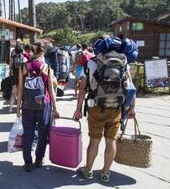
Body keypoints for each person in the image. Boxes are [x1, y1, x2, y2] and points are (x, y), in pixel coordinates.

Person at [73, 37, 136, 183]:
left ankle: (88, 170)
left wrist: (78, 109)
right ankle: (105, 173)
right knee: (110, 141)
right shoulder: (124, 62)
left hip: (96, 106)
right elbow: (131, 87)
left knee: (94, 140)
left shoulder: (92, 62)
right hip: (116, 107)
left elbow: (82, 89)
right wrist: (132, 107)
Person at [16, 42, 59, 172]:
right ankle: (39, 159)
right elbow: (51, 90)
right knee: (43, 133)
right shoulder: (46, 67)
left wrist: (18, 108)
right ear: (43, 53)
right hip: (44, 105)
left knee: (28, 133)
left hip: (28, 104)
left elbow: (20, 89)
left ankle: (28, 162)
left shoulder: (23, 67)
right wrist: (56, 108)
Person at [9, 45, 25, 113]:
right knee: (20, 93)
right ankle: (19, 108)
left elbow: (10, 66)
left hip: (14, 76)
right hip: (21, 76)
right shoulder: (23, 57)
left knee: (13, 93)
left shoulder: (13, 57)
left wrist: (10, 71)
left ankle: (10, 109)